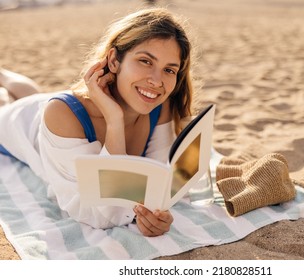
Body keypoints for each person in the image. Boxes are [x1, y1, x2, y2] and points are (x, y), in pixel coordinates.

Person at [0, 7, 195, 237]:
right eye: (145, 61)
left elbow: (159, 184)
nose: (156, 81)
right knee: (11, 104)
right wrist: (114, 121)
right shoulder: (62, 115)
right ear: (113, 60)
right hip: (18, 124)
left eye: (169, 70)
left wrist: (158, 213)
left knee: (31, 94)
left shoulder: (159, 107)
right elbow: (100, 213)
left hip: (46, 107)